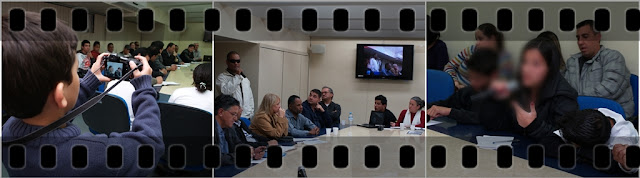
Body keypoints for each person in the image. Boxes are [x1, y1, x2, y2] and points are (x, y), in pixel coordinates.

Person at [2, 12, 163, 176]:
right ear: (60, 95)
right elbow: (150, 147)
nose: (79, 78)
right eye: (75, 71)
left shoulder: (8, 130)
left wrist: (90, 81)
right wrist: (144, 88)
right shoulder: (94, 155)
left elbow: (54, 109)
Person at [492, 37, 579, 140]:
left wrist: (533, 125)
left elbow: (566, 141)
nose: (526, 69)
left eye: (535, 64)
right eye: (524, 62)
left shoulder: (565, 96)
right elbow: (500, 125)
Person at [564, 20, 634, 118]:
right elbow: (564, 90)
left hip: (613, 118)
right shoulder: (572, 62)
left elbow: (609, 90)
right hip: (582, 118)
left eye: (585, 37)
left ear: (598, 37)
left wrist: (576, 97)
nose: (580, 42)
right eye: (578, 38)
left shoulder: (613, 57)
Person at [427, 49, 512, 130]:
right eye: (470, 78)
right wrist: (421, 106)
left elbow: (485, 119)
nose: (473, 82)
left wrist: (450, 112)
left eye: (477, 78)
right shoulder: (469, 91)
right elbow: (445, 104)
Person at [542, 108, 638, 175]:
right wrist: (584, 154)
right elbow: (547, 143)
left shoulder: (624, 137)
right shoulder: (586, 119)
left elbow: (614, 166)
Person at [444, 23, 513, 90]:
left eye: (481, 39)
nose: (477, 43)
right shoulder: (472, 49)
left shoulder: (503, 59)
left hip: (471, 95)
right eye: (476, 39)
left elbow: (498, 88)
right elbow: (449, 66)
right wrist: (455, 82)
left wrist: (466, 90)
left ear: (492, 38)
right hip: (452, 86)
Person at [215, 95, 266, 166]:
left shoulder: (230, 128)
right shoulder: (208, 128)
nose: (235, 119)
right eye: (233, 114)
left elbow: (238, 145)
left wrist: (253, 152)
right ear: (220, 112)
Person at [216, 51, 255, 119]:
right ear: (227, 62)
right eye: (233, 61)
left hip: (247, 117)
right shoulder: (222, 77)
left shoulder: (244, 79)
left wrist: (251, 112)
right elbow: (226, 92)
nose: (236, 63)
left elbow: (250, 97)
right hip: (232, 117)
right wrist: (237, 76)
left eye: (238, 61)